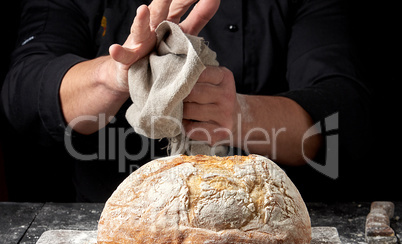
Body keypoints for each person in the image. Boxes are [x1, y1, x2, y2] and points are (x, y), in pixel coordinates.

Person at [1, 0, 370, 202]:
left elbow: (346, 112)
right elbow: (23, 90)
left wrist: (240, 113)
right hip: (104, 230)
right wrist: (117, 75)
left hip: (254, 227)